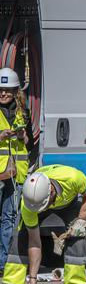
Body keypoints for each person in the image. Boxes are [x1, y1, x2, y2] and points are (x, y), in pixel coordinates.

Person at [0, 165, 86, 284]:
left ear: (51, 192)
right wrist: (32, 278)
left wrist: (80, 222)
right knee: (20, 238)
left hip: (68, 202)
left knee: (78, 238)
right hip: (37, 203)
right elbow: (35, 243)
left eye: (43, 206)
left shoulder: (74, 177)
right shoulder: (29, 204)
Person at [0, 68, 29, 268]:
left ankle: (4, 262)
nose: (3, 94)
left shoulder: (21, 113)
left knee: (9, 218)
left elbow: (27, 142)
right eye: (0, 90)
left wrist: (21, 135)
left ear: (15, 91)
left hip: (14, 173)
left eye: (7, 90)